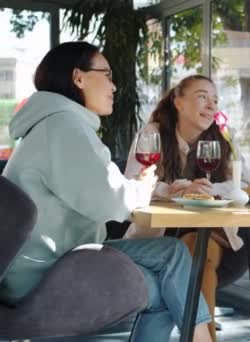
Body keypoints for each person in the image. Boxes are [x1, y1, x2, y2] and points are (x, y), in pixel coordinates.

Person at [0, 42, 212, 342]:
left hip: (41, 265)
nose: (114, 86)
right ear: (79, 78)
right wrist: (144, 188)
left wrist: (145, 188)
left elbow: (101, 188)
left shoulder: (54, 124)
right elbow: (109, 200)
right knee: (171, 286)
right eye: (107, 74)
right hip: (43, 278)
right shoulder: (64, 128)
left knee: (173, 253)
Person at [123, 75, 250, 341]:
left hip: (220, 241)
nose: (211, 105)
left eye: (215, 100)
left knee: (197, 246)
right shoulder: (153, 134)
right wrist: (173, 189)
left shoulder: (220, 141)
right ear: (178, 102)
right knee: (193, 254)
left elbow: (244, 185)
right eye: (202, 96)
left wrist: (208, 190)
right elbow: (130, 184)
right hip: (160, 239)